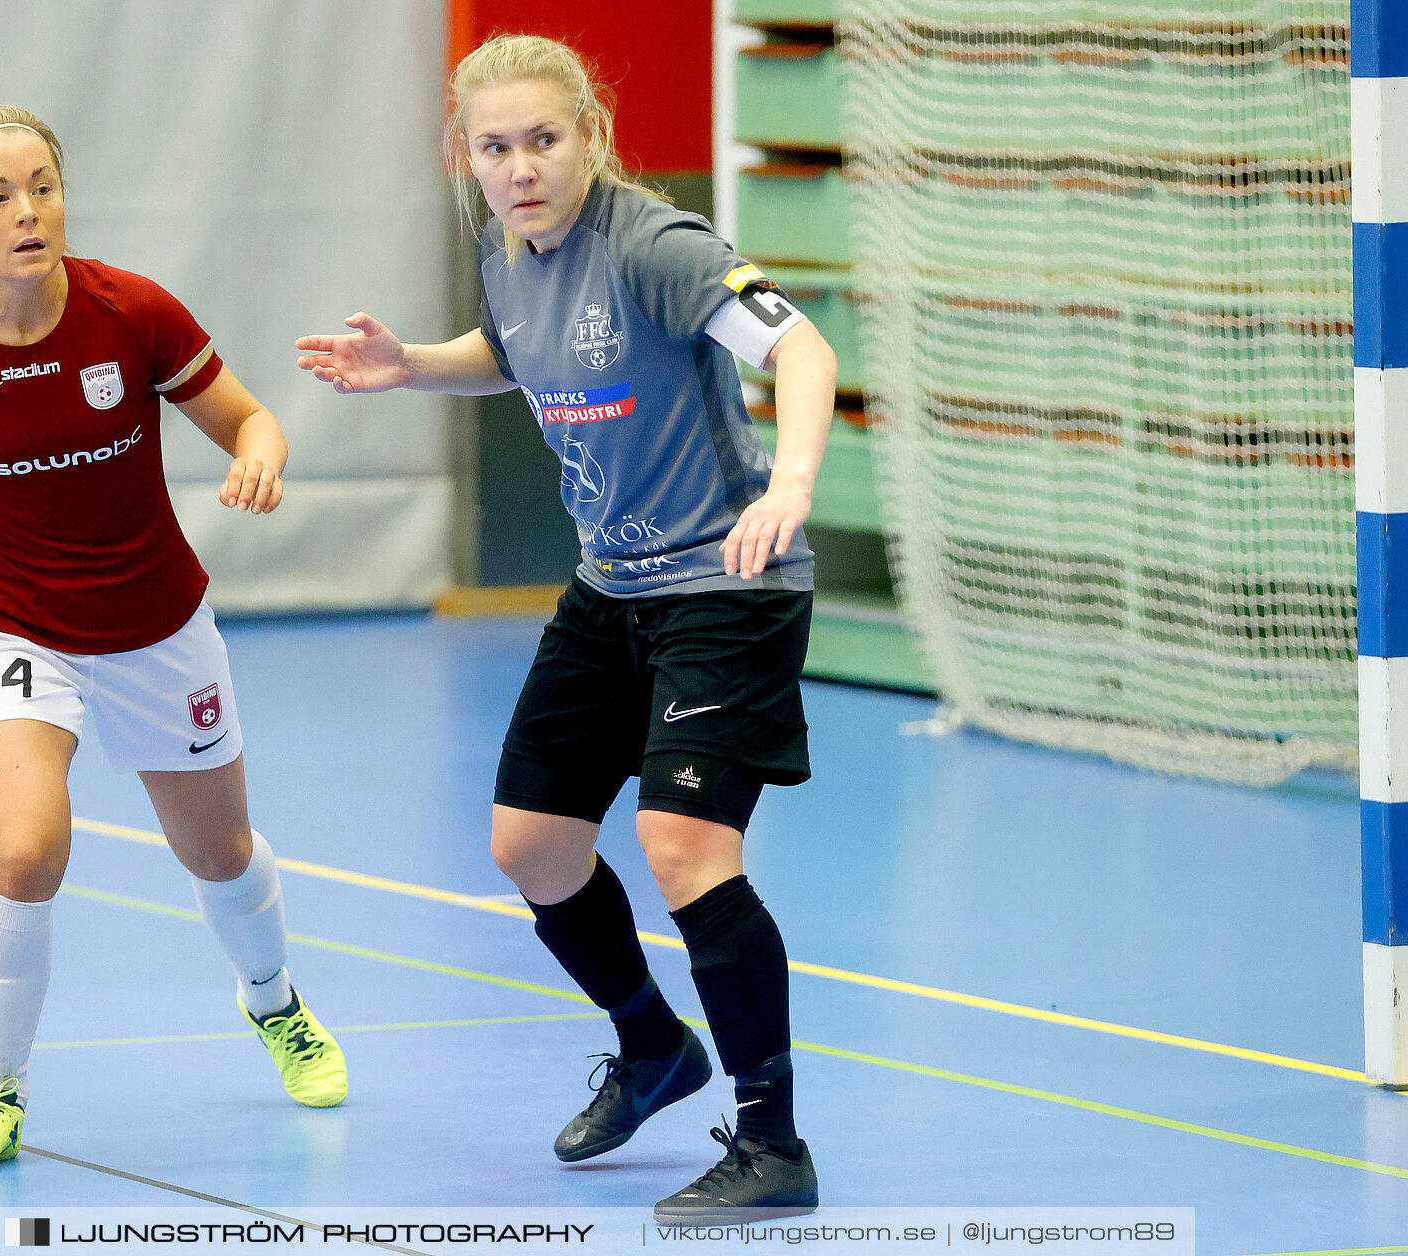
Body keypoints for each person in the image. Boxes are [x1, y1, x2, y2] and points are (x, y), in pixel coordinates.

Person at [295, 35, 835, 1222]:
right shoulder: (506, 254)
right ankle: (653, 1046)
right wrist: (409, 366)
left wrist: (790, 483)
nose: (524, 165)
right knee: (532, 846)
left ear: (590, 133)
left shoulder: (655, 244)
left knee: (686, 845)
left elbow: (798, 344)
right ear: (469, 159)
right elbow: (510, 349)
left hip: (725, 585)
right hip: (610, 590)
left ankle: (772, 1138)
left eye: (545, 138)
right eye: (498, 147)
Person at [0, 106, 346, 1175]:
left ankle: (275, 1002)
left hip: (158, 627)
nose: (28, 211)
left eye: (44, 187)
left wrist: (259, 454)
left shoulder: (132, 314)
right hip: (11, 623)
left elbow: (252, 418)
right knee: (23, 850)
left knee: (218, 850)